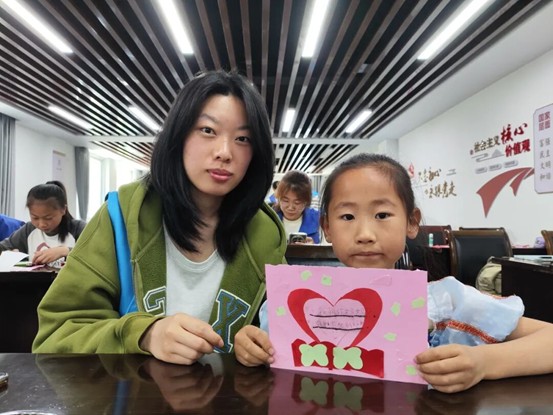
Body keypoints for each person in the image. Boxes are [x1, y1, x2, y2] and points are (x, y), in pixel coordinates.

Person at [235, 153, 553, 393]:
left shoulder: (446, 301)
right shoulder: (296, 304)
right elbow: (264, 350)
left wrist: (483, 363)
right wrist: (249, 346)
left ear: (411, 222)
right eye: (347, 216)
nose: (365, 234)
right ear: (327, 227)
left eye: (382, 214)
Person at [32, 70, 287, 365]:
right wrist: (144, 334)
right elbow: (55, 335)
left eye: (243, 138)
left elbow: (288, 340)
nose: (224, 152)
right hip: (134, 392)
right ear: (178, 135)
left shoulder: (266, 237)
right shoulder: (121, 217)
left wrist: (258, 345)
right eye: (207, 130)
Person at [0, 181, 86, 267]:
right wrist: (9, 254)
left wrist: (65, 251)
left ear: (63, 209)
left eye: (48, 218)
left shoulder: (78, 228)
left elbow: (92, 254)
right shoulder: (29, 229)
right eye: (35, 218)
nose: (42, 224)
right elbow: (3, 247)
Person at [273, 170, 320, 244]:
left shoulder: (318, 219)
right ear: (279, 198)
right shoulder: (269, 218)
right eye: (285, 201)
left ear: (306, 201)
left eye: (297, 202)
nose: (290, 207)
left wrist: (314, 248)